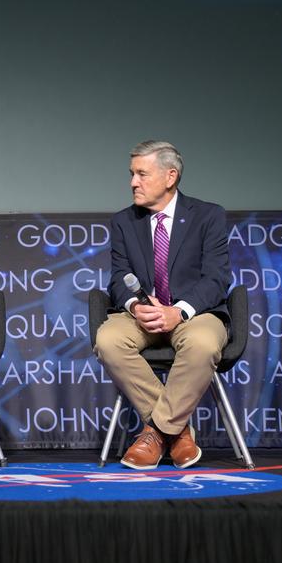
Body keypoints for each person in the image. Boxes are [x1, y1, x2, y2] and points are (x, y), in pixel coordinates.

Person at [94, 140, 231, 470]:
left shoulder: (208, 215)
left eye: (141, 174)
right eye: (132, 174)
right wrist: (133, 306)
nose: (132, 182)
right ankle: (179, 433)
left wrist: (179, 311)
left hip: (194, 314)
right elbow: (118, 278)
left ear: (171, 176)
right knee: (108, 341)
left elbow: (217, 278)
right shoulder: (124, 222)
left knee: (202, 343)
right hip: (144, 315)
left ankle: (156, 432)